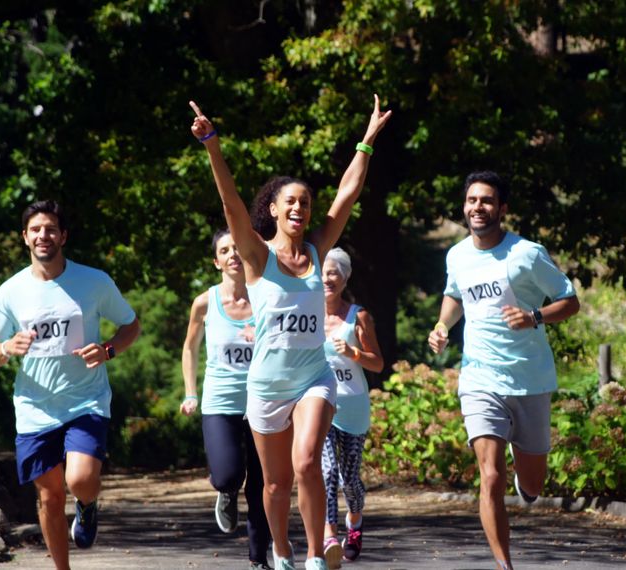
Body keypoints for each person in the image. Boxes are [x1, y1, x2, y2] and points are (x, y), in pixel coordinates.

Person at [188, 96, 390, 570]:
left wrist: (367, 141)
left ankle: (317, 555)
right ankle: (281, 551)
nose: (301, 208)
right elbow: (229, 201)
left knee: (306, 466)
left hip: (313, 378)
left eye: (305, 202)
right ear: (274, 211)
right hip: (266, 385)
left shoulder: (319, 249)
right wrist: (212, 144)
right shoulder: (257, 257)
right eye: (291, 202)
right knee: (275, 484)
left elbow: (347, 195)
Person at [427, 171, 579, 570]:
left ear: (502, 209)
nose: (479, 207)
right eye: (472, 200)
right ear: (465, 206)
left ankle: (524, 478)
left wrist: (534, 317)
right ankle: (503, 565)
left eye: (488, 201)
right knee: (489, 476)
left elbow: (570, 300)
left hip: (530, 380)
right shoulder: (457, 255)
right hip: (480, 377)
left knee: (532, 485)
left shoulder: (526, 254)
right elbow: (454, 295)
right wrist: (443, 325)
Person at [0, 200, 141, 570]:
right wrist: (7, 347)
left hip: (86, 399)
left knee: (81, 479)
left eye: (51, 229)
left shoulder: (94, 281)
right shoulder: (10, 292)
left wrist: (108, 350)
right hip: (35, 407)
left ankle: (87, 506)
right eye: (36, 229)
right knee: (50, 498)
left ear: (63, 236)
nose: (43, 235)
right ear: (25, 238)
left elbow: (131, 325)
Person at [178, 228, 273, 570]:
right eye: (225, 250)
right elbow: (189, 348)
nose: (233, 254)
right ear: (216, 260)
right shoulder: (205, 302)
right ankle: (226, 492)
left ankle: (258, 558)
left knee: (263, 483)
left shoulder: (266, 299)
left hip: (263, 400)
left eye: (238, 248)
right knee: (228, 475)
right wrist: (190, 391)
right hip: (219, 401)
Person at [318, 247, 384, 568]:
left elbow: (378, 363)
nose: (327, 279)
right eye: (322, 273)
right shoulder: (306, 315)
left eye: (333, 273)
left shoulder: (358, 316)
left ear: (344, 278)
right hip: (320, 405)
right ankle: (329, 537)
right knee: (327, 472)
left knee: (349, 480)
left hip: (353, 406)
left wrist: (354, 353)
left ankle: (354, 523)